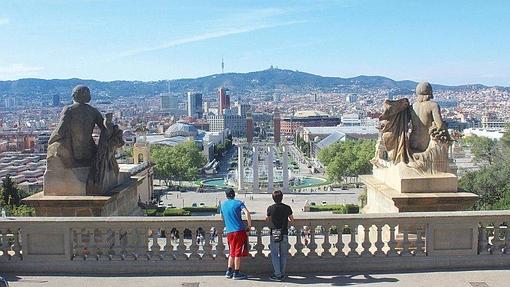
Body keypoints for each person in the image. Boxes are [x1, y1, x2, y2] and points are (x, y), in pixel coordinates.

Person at [220, 188, 252, 280]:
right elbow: (247, 213)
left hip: (229, 231)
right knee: (237, 252)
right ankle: (236, 273)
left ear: (226, 196)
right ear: (234, 194)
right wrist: (249, 226)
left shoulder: (223, 205)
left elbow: (222, 217)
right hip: (239, 230)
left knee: (232, 252)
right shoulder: (238, 203)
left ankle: (229, 271)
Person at [266, 190, 294, 281]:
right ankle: (282, 273)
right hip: (284, 233)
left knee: (274, 254)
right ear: (282, 197)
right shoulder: (287, 207)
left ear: (273, 198)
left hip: (274, 233)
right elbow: (292, 219)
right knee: (283, 255)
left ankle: (277, 275)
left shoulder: (270, 208)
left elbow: (268, 219)